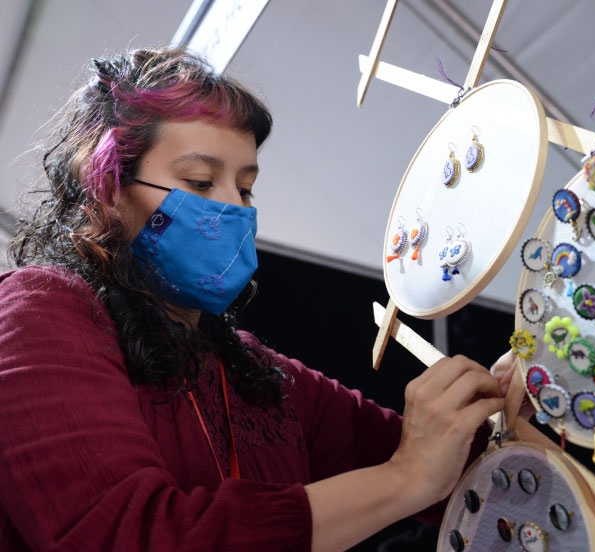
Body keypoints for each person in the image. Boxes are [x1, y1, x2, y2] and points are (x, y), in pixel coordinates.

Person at [0, 48, 516, 551]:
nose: (234, 207)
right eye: (200, 182)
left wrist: (517, 397)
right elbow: (133, 535)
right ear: (108, 187)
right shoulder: (41, 311)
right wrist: (406, 477)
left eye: (245, 188)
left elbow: (449, 464)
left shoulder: (248, 369)